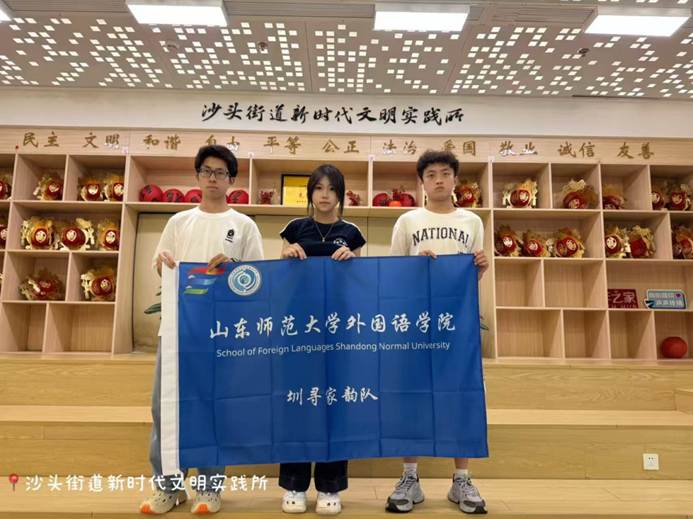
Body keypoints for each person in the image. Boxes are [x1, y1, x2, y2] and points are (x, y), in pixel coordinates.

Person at [140, 144, 264, 515]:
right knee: (165, 408)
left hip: (221, 333)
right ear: (197, 176)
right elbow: (161, 266)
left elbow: (256, 279)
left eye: (220, 172)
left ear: (231, 180)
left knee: (213, 408)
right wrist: (163, 263)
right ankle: (168, 487)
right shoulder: (179, 222)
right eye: (206, 171)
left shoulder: (244, 225)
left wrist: (234, 267)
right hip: (177, 330)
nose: (213, 178)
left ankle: (210, 488)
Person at [385, 150, 489, 515]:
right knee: (412, 395)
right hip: (415, 322)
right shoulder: (407, 221)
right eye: (431, 174)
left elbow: (471, 276)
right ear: (422, 182)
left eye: (446, 173)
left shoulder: (471, 221)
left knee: (460, 394)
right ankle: (409, 477)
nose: (439, 180)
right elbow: (392, 275)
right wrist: (415, 266)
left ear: (456, 180)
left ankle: (461, 479)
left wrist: (479, 268)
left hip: (457, 324)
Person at [278, 164, 366, 515]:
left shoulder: (351, 233)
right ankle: (294, 484)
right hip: (299, 329)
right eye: (318, 188)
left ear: (340, 194)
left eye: (331, 188)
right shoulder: (294, 229)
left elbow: (362, 283)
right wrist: (286, 256)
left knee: (335, 403)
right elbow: (280, 278)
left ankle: (330, 486)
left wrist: (353, 261)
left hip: (338, 329)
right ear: (310, 193)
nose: (324, 195)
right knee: (298, 402)